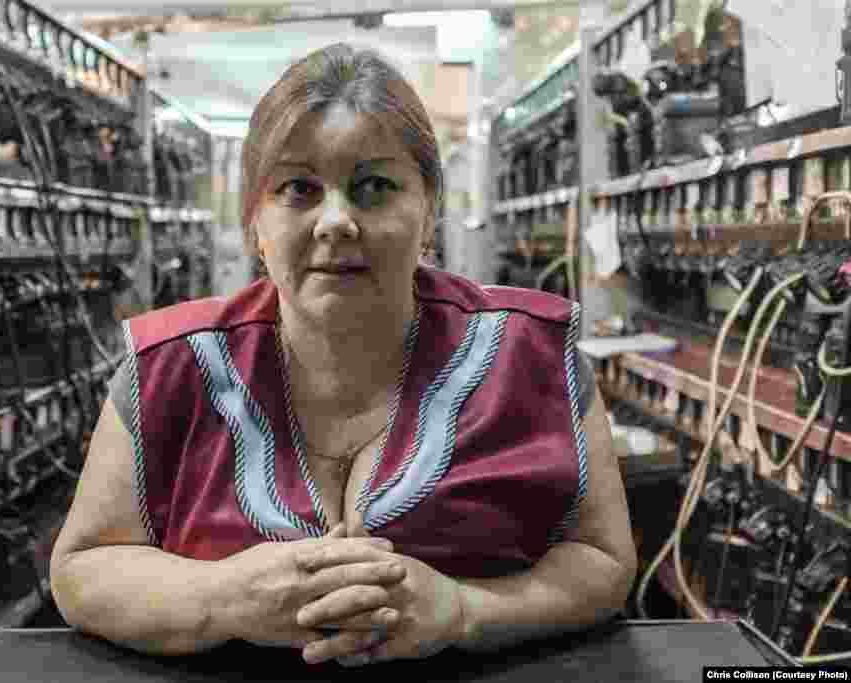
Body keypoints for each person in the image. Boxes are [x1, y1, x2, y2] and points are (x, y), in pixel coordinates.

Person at [50, 43, 636, 669]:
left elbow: (602, 560)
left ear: (428, 209)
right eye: (299, 188)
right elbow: (82, 569)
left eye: (374, 187)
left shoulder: (533, 356)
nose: (336, 221)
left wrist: (468, 611)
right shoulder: (169, 369)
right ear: (256, 218)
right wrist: (222, 597)